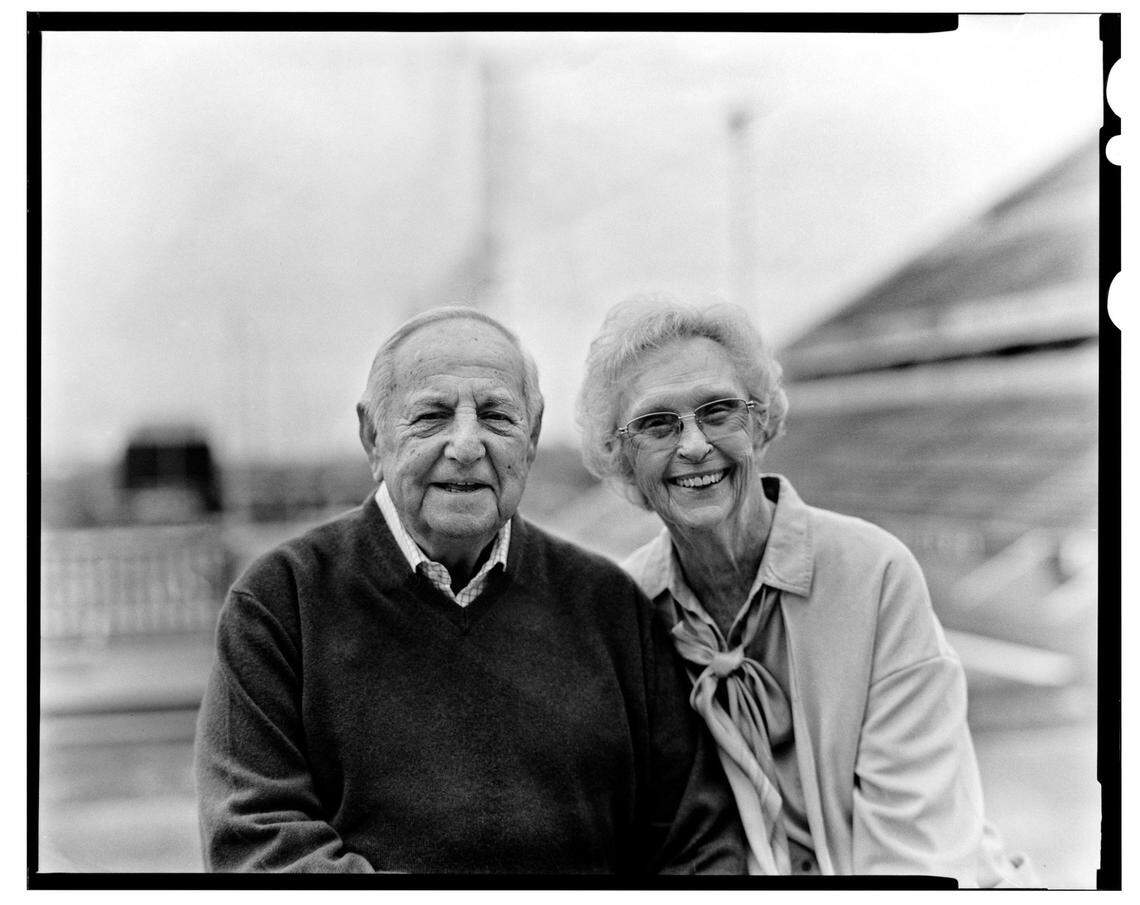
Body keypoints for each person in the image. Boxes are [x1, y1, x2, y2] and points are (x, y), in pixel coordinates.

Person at [194, 306, 746, 875]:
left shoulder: (611, 606)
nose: (466, 444)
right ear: (372, 436)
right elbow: (258, 844)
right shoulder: (280, 602)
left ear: (530, 437)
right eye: (432, 416)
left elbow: (698, 844)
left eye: (496, 417)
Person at [576, 293, 1035, 885]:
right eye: (657, 424)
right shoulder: (629, 610)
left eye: (718, 411)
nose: (693, 445)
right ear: (621, 458)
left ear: (761, 422)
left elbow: (916, 850)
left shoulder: (874, 574)